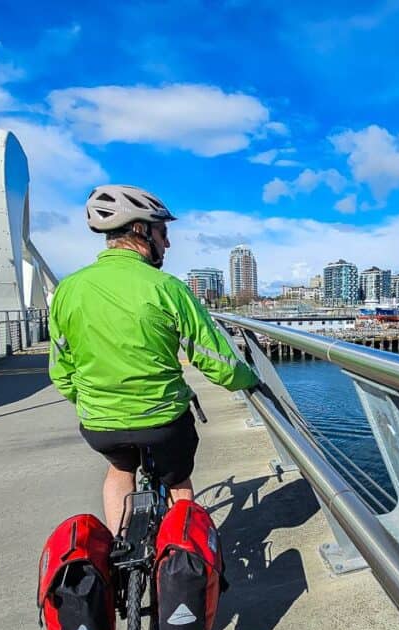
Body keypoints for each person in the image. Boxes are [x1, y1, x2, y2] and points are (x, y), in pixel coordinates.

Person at [48, 184, 259, 533]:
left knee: (119, 470)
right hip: (162, 422)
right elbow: (214, 359)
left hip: (101, 424)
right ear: (140, 230)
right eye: (163, 232)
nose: (168, 243)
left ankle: (120, 547)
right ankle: (181, 549)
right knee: (177, 480)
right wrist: (249, 379)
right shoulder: (167, 288)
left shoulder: (68, 289)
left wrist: (89, 400)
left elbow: (60, 368)